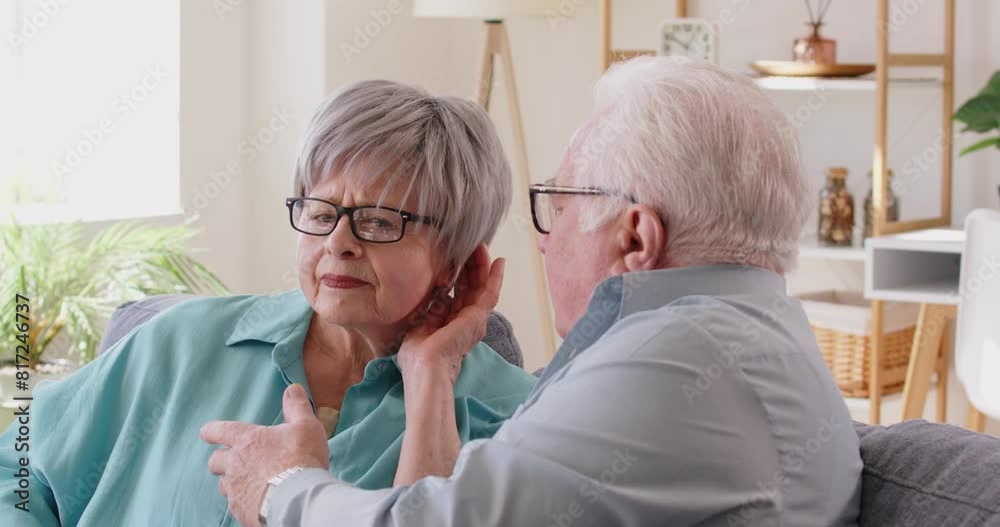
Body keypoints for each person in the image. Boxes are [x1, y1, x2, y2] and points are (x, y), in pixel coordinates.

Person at [205, 57, 863, 526]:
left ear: (636, 237)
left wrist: (281, 487)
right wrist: (429, 370)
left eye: (559, 204)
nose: (543, 240)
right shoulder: (755, 331)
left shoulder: (677, 359)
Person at [0, 79, 538, 526]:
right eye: (321, 212)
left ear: (456, 258)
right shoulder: (180, 342)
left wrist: (430, 379)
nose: (338, 243)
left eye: (378, 221)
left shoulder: (516, 415)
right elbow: (18, 470)